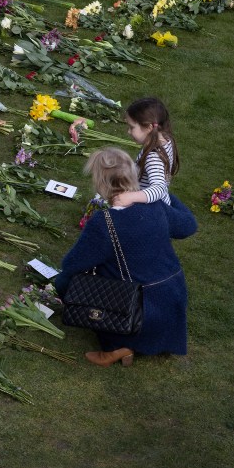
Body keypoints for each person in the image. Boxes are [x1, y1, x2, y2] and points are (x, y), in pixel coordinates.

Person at [54, 147, 197, 367]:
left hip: (135, 308)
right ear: (134, 175)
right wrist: (161, 192)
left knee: (65, 280)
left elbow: (72, 264)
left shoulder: (105, 223)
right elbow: (188, 226)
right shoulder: (155, 205)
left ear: (100, 184)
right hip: (173, 296)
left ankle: (119, 344)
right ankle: (145, 339)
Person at [113, 97, 180, 207]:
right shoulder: (166, 139)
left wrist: (130, 197)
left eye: (132, 127)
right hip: (155, 203)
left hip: (151, 210)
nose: (128, 132)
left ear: (149, 127)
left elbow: (159, 189)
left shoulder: (154, 157)